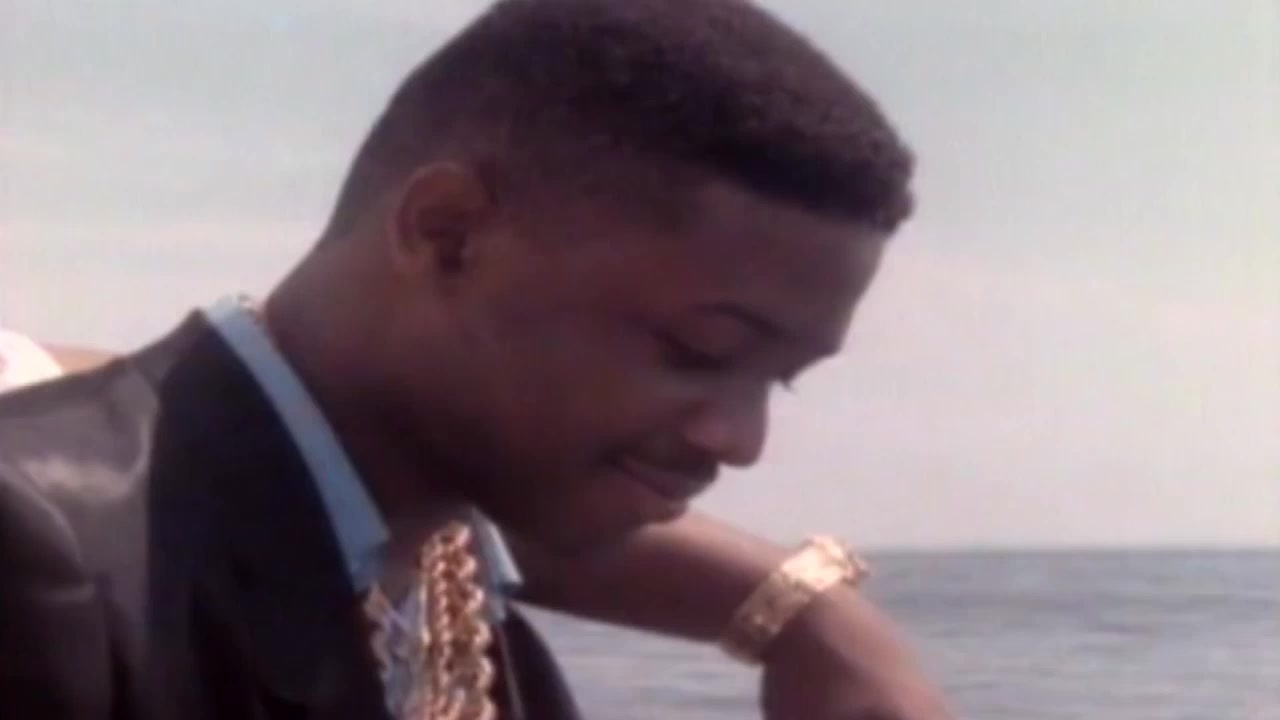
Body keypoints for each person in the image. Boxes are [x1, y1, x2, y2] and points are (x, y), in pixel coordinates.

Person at [0, 1, 952, 719]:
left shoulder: (471, 634)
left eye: (779, 379)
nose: (741, 440)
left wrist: (804, 608)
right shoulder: (40, 557)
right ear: (447, 234)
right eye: (700, 350)